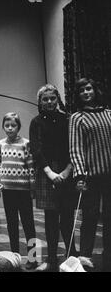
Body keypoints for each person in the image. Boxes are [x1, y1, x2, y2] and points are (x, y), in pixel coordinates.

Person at [29, 84, 78, 272]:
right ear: (40, 102)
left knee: (67, 216)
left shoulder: (68, 119)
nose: (49, 102)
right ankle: (51, 259)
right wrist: (50, 172)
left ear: (57, 99)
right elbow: (36, 149)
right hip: (46, 171)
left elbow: (73, 146)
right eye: (45, 99)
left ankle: (72, 256)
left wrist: (66, 172)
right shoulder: (36, 122)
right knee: (50, 219)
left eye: (52, 98)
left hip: (67, 171)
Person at [69, 78, 111, 271]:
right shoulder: (77, 118)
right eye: (81, 91)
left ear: (95, 90)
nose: (86, 92)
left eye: (89, 88)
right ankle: (85, 257)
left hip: (109, 175)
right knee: (90, 217)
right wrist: (79, 176)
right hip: (90, 176)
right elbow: (75, 148)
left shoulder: (109, 113)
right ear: (78, 95)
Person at [0, 112, 37, 270]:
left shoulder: (26, 143)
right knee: (11, 224)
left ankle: (33, 258)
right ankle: (14, 257)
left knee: (29, 225)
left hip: (24, 191)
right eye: (7, 125)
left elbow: (31, 167)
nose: (10, 128)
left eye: (13, 125)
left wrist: (32, 188)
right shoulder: (1, 143)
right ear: (3, 127)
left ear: (19, 127)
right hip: (8, 191)